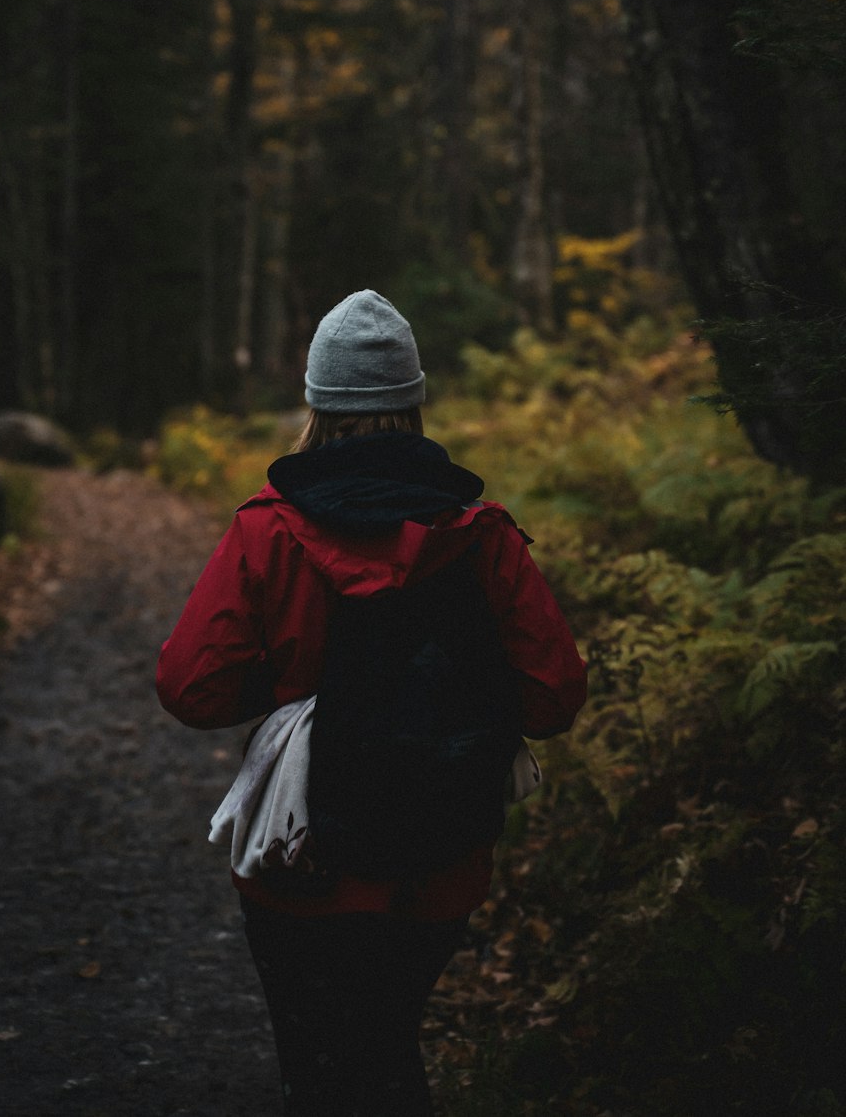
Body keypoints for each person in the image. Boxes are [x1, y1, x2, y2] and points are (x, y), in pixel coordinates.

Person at [156, 289, 587, 1117]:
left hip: (300, 861)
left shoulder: (269, 530)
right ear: (413, 402)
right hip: (440, 862)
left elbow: (188, 686)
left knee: (318, 1066)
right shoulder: (481, 532)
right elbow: (555, 696)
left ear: (317, 403)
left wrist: (290, 696)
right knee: (388, 1047)